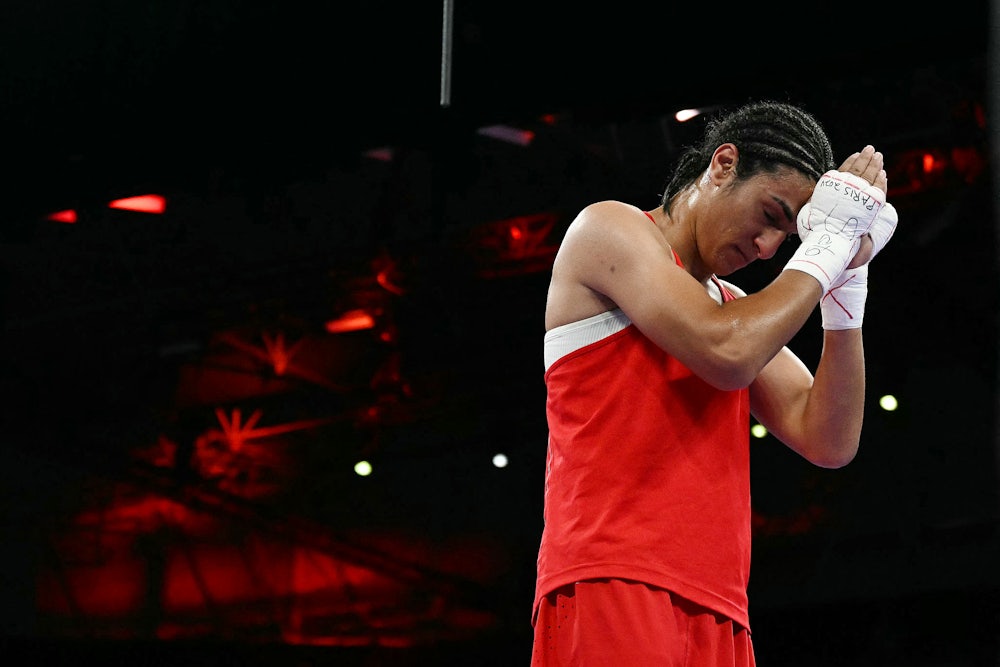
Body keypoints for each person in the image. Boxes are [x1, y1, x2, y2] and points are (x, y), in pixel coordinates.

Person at [530, 100, 898, 666]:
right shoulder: (610, 229)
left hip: (720, 609)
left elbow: (829, 439)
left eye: (792, 237)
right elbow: (726, 351)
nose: (769, 248)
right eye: (772, 214)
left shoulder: (732, 308)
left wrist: (847, 286)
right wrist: (826, 250)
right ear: (723, 163)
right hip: (614, 580)